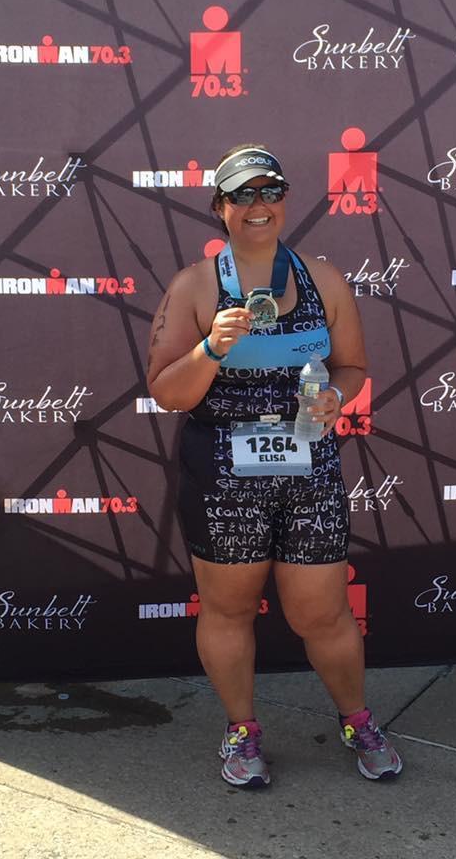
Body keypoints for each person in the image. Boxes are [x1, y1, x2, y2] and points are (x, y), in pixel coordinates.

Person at [146, 143, 402, 787]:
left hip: (307, 467)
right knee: (227, 610)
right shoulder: (195, 286)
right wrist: (211, 347)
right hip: (222, 476)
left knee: (322, 613)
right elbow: (168, 392)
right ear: (220, 209)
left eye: (270, 191)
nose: (258, 205)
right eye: (242, 195)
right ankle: (241, 732)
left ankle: (357, 720)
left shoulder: (324, 279)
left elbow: (353, 366)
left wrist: (337, 397)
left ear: (285, 200)